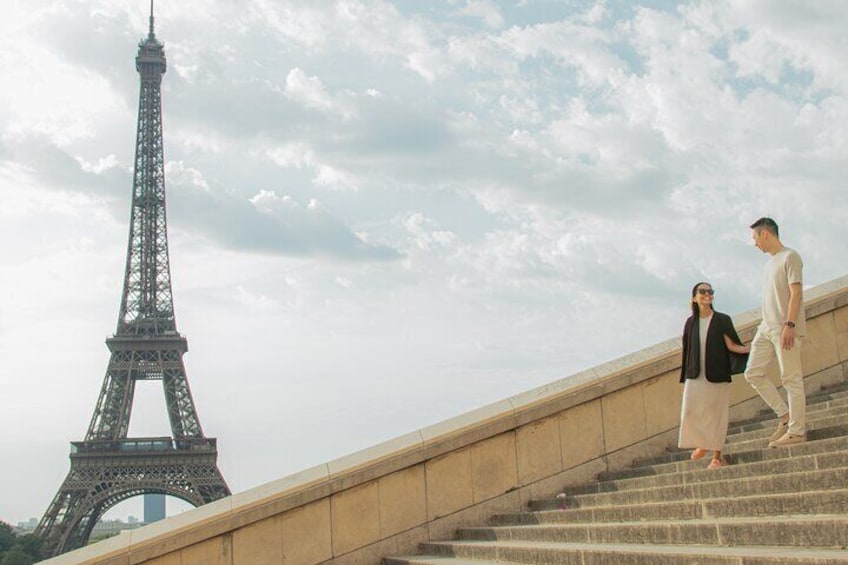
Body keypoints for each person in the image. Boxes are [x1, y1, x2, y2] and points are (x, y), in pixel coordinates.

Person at [745, 217, 807, 447]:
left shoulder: (791, 257)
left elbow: (796, 293)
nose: (754, 244)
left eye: (755, 238)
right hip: (766, 328)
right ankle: (785, 415)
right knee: (752, 373)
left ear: (765, 234)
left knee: (791, 379)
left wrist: (790, 325)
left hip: (785, 327)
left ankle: (797, 432)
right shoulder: (769, 263)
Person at [679, 282, 750, 469]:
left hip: (717, 373)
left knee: (717, 414)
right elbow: (687, 350)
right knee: (690, 411)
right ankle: (702, 443)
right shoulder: (690, 322)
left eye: (710, 291)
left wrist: (753, 349)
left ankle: (716, 457)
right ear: (694, 297)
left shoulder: (722, 319)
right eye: (702, 291)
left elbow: (732, 345)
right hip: (695, 374)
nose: (707, 294)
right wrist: (684, 374)